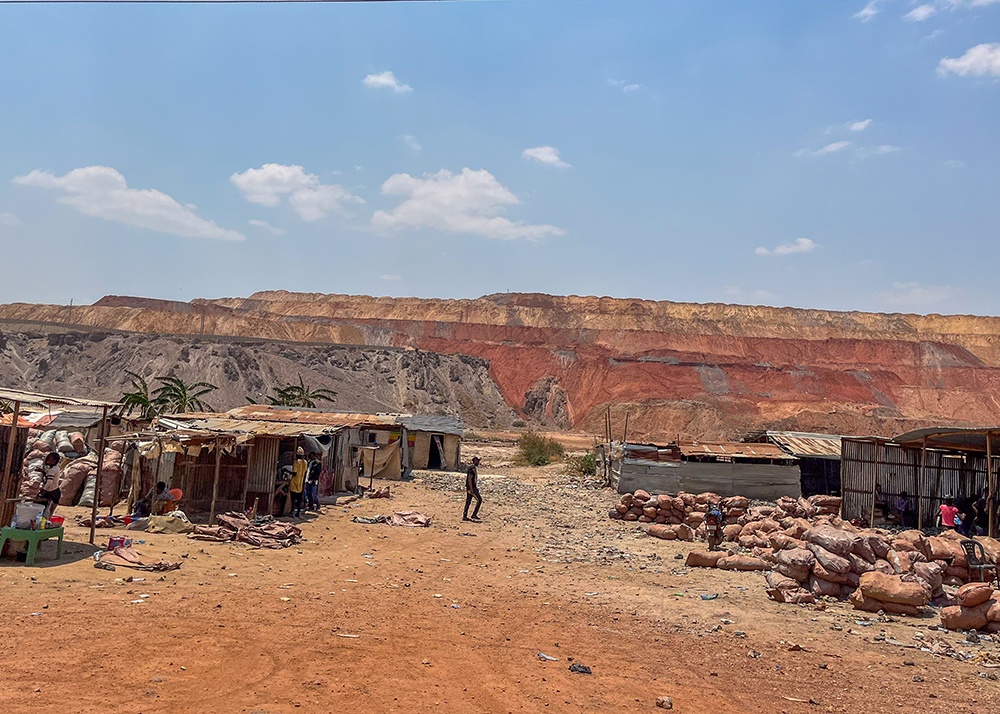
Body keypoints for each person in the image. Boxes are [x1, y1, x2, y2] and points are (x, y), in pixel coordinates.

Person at [36, 452, 62, 517]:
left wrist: (42, 492)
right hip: (56, 491)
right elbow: (50, 477)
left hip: (51, 492)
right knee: (50, 511)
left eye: (49, 459)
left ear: (54, 461)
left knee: (40, 507)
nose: (47, 461)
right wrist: (43, 472)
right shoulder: (56, 468)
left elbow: (49, 483)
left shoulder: (52, 470)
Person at [463, 456, 482, 522]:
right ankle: (473, 514)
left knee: (468, 501)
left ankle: (465, 516)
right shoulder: (472, 468)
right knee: (479, 500)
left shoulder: (473, 468)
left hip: (472, 487)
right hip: (471, 488)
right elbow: (469, 479)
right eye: (477, 461)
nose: (478, 462)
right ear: (474, 461)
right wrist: (471, 489)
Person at [289, 447, 307, 518]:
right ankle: (298, 512)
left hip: (294, 482)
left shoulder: (296, 462)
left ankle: (292, 511)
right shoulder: (305, 462)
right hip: (301, 482)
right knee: (300, 499)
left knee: (293, 499)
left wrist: (288, 472)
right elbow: (305, 473)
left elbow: (295, 473)